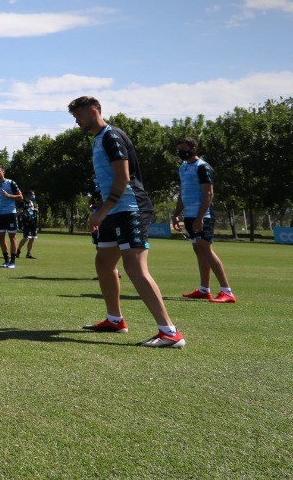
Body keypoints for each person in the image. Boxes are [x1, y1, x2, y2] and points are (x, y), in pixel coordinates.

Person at [68, 96, 185, 348]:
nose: (76, 121)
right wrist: (100, 206)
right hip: (113, 209)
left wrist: (103, 210)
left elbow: (123, 178)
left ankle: (170, 332)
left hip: (130, 208)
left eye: (78, 116)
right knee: (104, 262)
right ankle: (115, 320)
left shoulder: (112, 137)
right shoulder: (98, 140)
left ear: (92, 111)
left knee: (135, 267)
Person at [172, 137, 236, 303]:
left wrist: (200, 218)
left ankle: (226, 291)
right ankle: (204, 289)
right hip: (189, 215)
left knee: (206, 250)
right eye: (179, 149)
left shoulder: (203, 167)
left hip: (203, 215)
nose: (180, 152)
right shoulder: (183, 168)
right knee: (198, 251)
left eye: (183, 148)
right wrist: (176, 213)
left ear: (193, 148)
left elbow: (209, 194)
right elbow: (182, 192)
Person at [0, 164, 23, 268]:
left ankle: (13, 262)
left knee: (12, 237)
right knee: (1, 237)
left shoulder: (11, 183)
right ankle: (6, 261)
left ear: (3, 172)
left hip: (10, 212)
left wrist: (9, 196)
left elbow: (20, 196)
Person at [16, 190, 39, 259]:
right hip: (25, 222)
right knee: (26, 238)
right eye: (32, 194)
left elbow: (34, 211)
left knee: (32, 238)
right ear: (27, 195)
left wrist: (35, 210)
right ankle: (18, 250)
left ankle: (28, 253)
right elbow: (19, 212)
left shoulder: (33, 203)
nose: (33, 196)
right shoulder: (22, 202)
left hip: (33, 222)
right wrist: (27, 211)